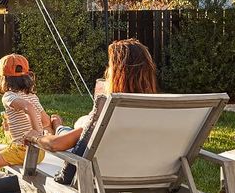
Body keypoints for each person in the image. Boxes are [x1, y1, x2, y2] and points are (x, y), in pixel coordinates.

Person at [24, 38, 158, 185]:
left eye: (110, 66)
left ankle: (57, 126)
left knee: (74, 131)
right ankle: (58, 126)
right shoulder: (157, 109)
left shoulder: (107, 109)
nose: (107, 71)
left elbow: (56, 144)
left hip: (94, 178)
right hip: (144, 178)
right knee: (79, 128)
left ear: (118, 73)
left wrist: (34, 137)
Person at [0, 54, 52, 170]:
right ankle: (0, 182)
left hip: (23, 149)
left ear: (3, 79)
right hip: (39, 151)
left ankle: (4, 186)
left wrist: (35, 132)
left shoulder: (8, 96)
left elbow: (29, 107)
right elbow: (46, 121)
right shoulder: (32, 96)